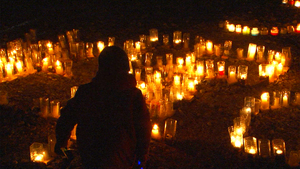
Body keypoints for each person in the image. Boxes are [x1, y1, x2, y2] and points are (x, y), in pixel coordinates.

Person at [55, 46, 151, 168]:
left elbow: (66, 119)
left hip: (91, 155)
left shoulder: (86, 92)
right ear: (126, 68)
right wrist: (142, 157)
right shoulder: (133, 96)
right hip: (122, 158)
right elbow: (144, 130)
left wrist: (61, 143)